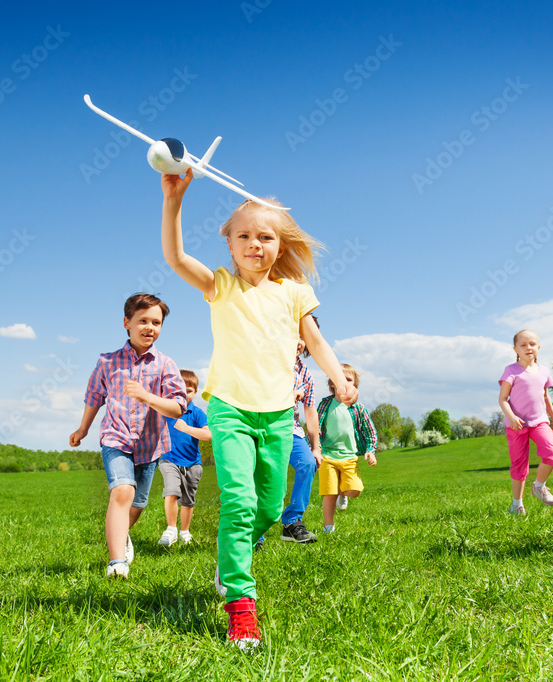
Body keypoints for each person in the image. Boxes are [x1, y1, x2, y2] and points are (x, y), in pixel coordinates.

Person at [161, 170, 356, 649]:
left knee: (269, 508)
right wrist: (173, 202)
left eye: (265, 236)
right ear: (229, 244)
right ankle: (241, 607)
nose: (255, 244)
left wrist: (336, 376)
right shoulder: (220, 285)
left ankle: (233, 557)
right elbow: (176, 257)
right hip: (229, 410)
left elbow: (314, 339)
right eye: (244, 235)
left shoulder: (293, 292)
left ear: (279, 245)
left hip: (276, 415)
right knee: (240, 501)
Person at [69, 293, 186, 580]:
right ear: (127, 323)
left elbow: (178, 407)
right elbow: (94, 396)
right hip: (115, 438)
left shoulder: (165, 364)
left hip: (150, 445)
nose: (150, 327)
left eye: (156, 322)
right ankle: (116, 562)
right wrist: (83, 429)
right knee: (122, 491)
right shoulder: (107, 362)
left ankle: (122, 535)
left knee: (138, 503)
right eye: (143, 320)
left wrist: (147, 397)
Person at [258, 321, 324, 548]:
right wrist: (288, 395)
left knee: (307, 463)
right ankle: (256, 534)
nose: (298, 342)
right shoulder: (265, 362)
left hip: (291, 430)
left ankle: (292, 521)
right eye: (293, 334)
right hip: (262, 427)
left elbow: (311, 413)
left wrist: (316, 447)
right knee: (264, 478)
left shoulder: (305, 373)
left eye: (303, 337)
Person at [498, 329, 553, 515]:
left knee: (552, 452)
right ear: (515, 349)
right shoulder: (511, 371)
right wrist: (511, 417)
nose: (528, 348)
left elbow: (545, 397)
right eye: (523, 345)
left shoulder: (543, 371)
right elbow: (502, 399)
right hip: (517, 424)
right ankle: (517, 504)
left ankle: (539, 486)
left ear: (539, 347)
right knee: (519, 465)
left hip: (539, 422)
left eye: (532, 344)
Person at [315, 364, 377, 533]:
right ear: (332, 383)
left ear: (354, 386)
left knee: (354, 490)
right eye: (339, 378)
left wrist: (370, 450)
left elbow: (369, 430)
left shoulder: (358, 408)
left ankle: (342, 493)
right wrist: (315, 448)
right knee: (329, 493)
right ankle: (328, 526)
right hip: (327, 455)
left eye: (348, 379)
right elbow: (316, 427)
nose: (344, 382)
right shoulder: (325, 405)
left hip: (349, 457)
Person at [157, 369, 210, 547]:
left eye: (188, 391)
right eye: (179, 390)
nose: (183, 394)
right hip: (169, 459)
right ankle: (170, 529)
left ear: (195, 392)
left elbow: (208, 435)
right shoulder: (166, 410)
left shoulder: (197, 413)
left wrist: (186, 428)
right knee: (171, 491)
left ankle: (184, 532)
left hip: (193, 463)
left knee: (188, 501)